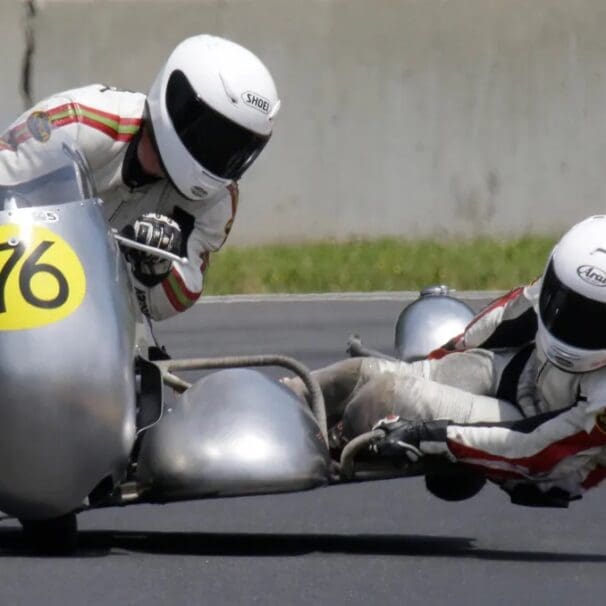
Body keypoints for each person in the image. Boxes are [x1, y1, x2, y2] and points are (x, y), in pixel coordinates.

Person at [284, 215, 606, 506]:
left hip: (541, 455)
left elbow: (538, 449)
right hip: (523, 373)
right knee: (357, 375)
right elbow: (507, 316)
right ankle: (279, 402)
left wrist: (432, 436)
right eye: (565, 304)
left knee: (386, 396)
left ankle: (320, 449)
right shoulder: (563, 273)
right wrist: (439, 359)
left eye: (593, 322)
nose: (570, 323)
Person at [0, 34, 280, 320]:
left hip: (101, 328)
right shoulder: (76, 123)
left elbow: (168, 304)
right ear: (179, 103)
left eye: (236, 149)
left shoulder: (216, 202)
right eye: (212, 137)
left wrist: (156, 268)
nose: (220, 155)